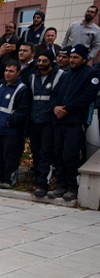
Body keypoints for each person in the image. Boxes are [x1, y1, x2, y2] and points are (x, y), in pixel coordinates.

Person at [49, 44, 100, 201]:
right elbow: (55, 94)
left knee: (70, 155)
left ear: (84, 59)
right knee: (58, 154)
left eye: (75, 57)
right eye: (71, 57)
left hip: (75, 122)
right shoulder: (66, 75)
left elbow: (87, 97)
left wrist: (67, 109)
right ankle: (61, 185)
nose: (72, 60)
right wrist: (55, 107)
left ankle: (72, 187)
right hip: (59, 121)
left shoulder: (90, 74)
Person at [0, 61, 31, 189]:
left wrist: (9, 122)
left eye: (11, 71)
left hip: (12, 131)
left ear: (18, 72)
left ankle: (9, 179)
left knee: (10, 155)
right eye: (6, 70)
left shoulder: (22, 89)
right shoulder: (1, 85)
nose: (7, 73)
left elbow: (23, 110)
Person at [29, 51, 65, 197]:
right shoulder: (33, 77)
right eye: (39, 61)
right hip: (35, 120)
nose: (41, 64)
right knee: (36, 152)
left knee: (46, 152)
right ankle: (37, 178)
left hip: (49, 122)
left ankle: (43, 183)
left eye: (44, 61)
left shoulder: (60, 75)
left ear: (51, 61)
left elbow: (59, 97)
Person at [0, 22, 21, 94]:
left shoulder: (17, 40)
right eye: (7, 27)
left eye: (10, 27)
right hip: (0, 69)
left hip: (11, 69)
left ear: (14, 30)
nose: (8, 29)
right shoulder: (1, 40)